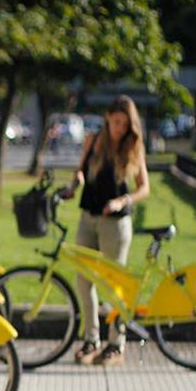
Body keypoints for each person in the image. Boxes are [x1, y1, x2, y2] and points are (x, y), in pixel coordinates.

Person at [59, 95, 150, 366]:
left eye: (125, 124)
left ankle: (116, 343)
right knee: (83, 281)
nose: (119, 128)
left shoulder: (133, 146)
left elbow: (144, 188)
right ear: (108, 117)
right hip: (89, 217)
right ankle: (91, 339)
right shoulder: (94, 140)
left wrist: (124, 200)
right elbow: (81, 172)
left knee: (113, 285)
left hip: (116, 223)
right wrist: (73, 186)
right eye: (116, 122)